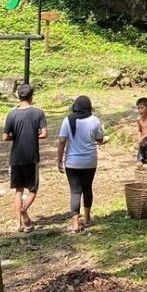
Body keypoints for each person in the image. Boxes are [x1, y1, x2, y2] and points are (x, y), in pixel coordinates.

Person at [3, 83, 48, 233]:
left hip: (16, 157)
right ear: (31, 97)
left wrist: (16, 137)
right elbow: (44, 133)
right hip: (32, 156)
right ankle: (24, 209)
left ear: (18, 96)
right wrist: (32, 136)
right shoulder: (38, 113)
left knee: (18, 190)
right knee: (33, 189)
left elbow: (5, 137)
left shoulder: (12, 114)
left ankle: (19, 224)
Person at [57, 95, 104, 234]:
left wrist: (59, 159)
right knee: (87, 188)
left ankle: (75, 224)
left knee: (75, 191)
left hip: (72, 162)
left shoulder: (68, 120)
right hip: (90, 161)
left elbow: (61, 141)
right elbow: (100, 139)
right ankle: (88, 218)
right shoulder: (95, 120)